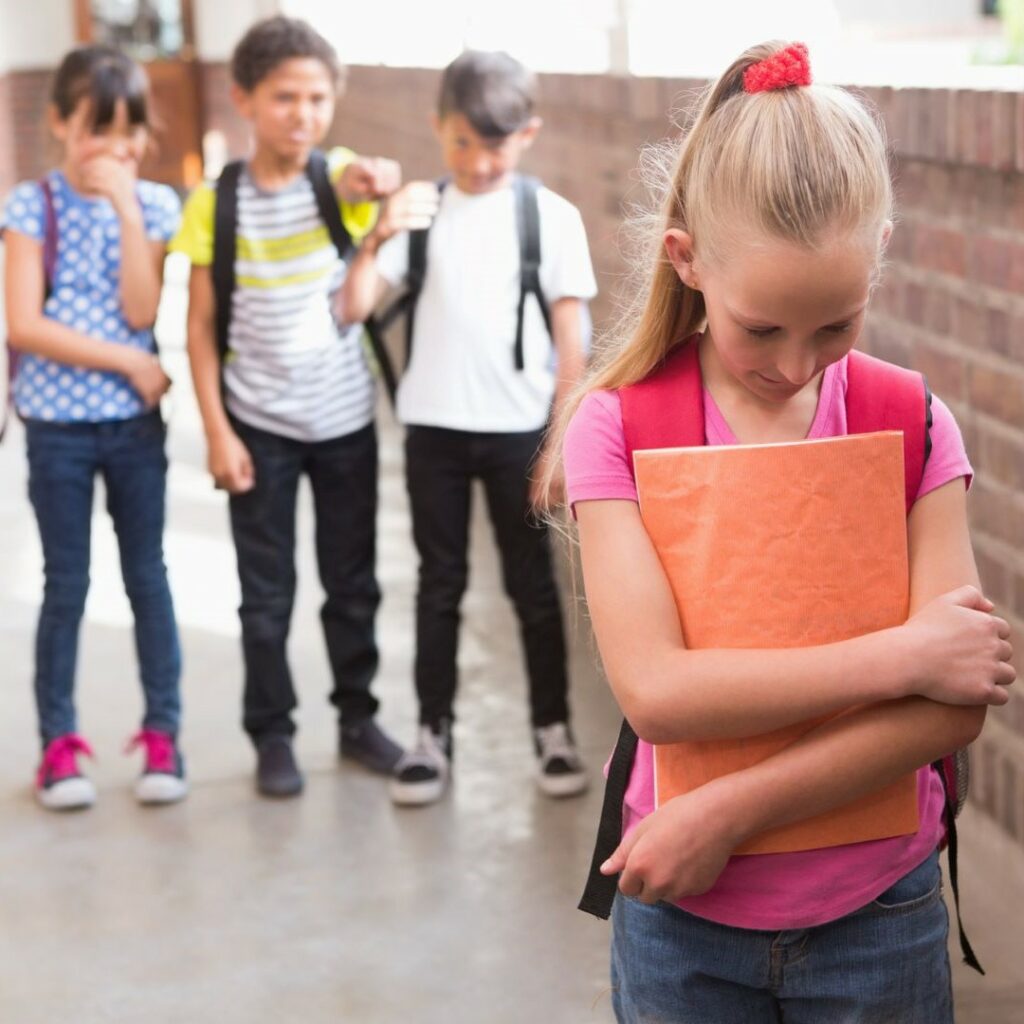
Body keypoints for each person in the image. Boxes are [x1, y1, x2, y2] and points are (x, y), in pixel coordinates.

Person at [552, 42, 1016, 1023]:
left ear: (878, 250)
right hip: (682, 921)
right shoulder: (617, 426)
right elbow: (660, 692)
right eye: (760, 329)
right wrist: (904, 653)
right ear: (686, 260)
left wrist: (725, 810)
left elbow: (951, 708)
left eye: (834, 326)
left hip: (877, 915)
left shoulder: (912, 419)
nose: (797, 365)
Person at [340, 50, 597, 806]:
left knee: (531, 588)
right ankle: (432, 734)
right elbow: (352, 308)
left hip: (518, 433)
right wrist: (377, 234)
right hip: (434, 433)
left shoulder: (548, 217)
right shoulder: (420, 213)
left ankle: (552, 732)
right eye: (460, 144)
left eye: (495, 145)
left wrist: (560, 444)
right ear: (437, 130)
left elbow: (572, 342)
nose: (478, 162)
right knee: (438, 583)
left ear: (528, 135)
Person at [171, 16, 404, 798]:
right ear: (243, 99)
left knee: (353, 583)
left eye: (316, 98)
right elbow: (200, 331)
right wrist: (216, 430)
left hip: (344, 424)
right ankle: (272, 732)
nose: (302, 114)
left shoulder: (334, 179)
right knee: (265, 596)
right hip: (258, 429)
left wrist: (374, 183)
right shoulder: (217, 202)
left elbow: (358, 179)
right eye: (283, 98)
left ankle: (357, 718)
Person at [2, 45, 186, 810]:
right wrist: (128, 363)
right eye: (94, 130)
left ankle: (162, 736)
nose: (113, 149)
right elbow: (25, 323)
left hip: (133, 432)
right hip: (57, 430)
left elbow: (143, 310)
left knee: (148, 578)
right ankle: (58, 745)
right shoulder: (28, 204)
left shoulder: (155, 206)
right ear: (57, 124)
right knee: (66, 584)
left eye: (126, 132)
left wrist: (122, 206)